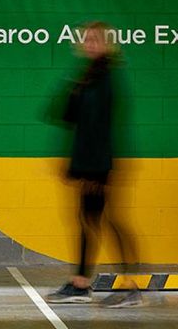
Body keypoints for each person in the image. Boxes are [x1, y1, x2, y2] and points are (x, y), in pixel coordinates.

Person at [45, 21, 141, 308]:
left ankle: (130, 285)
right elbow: (68, 117)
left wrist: (93, 171)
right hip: (90, 162)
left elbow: (99, 127)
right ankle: (81, 283)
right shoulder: (88, 76)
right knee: (87, 221)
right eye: (86, 40)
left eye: (95, 40)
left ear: (106, 44)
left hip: (99, 164)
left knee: (106, 221)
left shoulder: (106, 77)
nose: (89, 44)